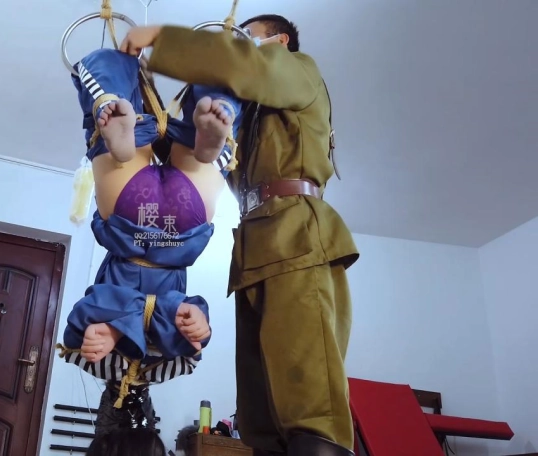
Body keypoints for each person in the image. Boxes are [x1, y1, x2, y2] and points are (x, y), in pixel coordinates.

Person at [120, 14, 360, 456]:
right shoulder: (249, 112)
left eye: (247, 38)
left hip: (297, 236)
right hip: (255, 245)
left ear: (280, 42)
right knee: (259, 414)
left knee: (310, 409)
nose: (237, 45)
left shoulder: (299, 69)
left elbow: (246, 65)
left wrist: (162, 39)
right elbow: (205, 157)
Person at [58, 42, 244, 389]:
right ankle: (123, 114)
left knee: (214, 126)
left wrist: (194, 325)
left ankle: (211, 127)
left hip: (182, 224)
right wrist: (194, 324)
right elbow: (87, 315)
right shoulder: (101, 349)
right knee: (106, 82)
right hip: (129, 214)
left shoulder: (162, 358)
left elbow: (190, 348)